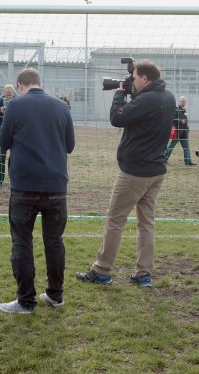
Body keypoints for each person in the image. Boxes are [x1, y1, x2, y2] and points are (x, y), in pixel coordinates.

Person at [76, 59, 176, 287]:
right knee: (146, 223)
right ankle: (143, 274)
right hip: (156, 170)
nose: (131, 82)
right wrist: (131, 93)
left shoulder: (148, 98)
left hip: (135, 172)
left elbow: (117, 118)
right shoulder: (167, 97)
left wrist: (119, 94)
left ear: (145, 79)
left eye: (134, 78)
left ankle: (101, 270)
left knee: (114, 220)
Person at [0, 68, 75, 314]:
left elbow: (3, 142)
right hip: (56, 186)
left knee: (22, 242)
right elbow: (70, 145)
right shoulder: (62, 107)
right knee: (54, 242)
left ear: (20, 85)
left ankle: (26, 301)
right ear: (40, 83)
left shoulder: (15, 105)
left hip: (24, 186)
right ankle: (55, 294)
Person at [0, 85, 16, 186]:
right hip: (2, 133)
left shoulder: (17, 101)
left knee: (14, 157)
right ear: (4, 92)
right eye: (7, 94)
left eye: (10, 94)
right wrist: (0, 110)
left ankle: (13, 179)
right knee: (1, 157)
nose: (8, 95)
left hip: (14, 134)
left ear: (13, 93)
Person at [164, 96, 195, 165]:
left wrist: (187, 129)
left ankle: (188, 162)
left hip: (184, 133)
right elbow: (172, 118)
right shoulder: (176, 109)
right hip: (177, 132)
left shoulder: (184, 110)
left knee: (186, 148)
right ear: (179, 101)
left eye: (184, 101)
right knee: (171, 147)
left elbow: (185, 122)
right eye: (182, 101)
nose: (183, 102)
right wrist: (180, 121)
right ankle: (164, 159)